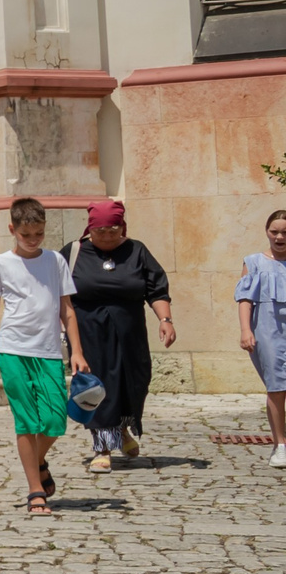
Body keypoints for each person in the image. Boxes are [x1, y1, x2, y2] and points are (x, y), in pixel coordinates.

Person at [0, 196, 89, 515]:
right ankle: (35, 490)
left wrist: (76, 351)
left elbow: (67, 309)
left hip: (50, 351)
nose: (32, 240)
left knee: (55, 419)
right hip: (13, 350)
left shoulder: (55, 261)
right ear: (12, 229)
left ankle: (38, 460)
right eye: (26, 235)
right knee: (26, 421)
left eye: (38, 234)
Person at [60, 199, 174, 473]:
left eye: (113, 230)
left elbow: (156, 290)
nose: (108, 236)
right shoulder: (73, 253)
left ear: (123, 226)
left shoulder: (137, 251)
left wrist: (166, 320)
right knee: (98, 386)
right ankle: (102, 447)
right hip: (89, 333)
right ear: (90, 229)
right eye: (101, 231)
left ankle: (121, 429)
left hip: (130, 332)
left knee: (134, 381)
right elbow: (57, 295)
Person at [236, 209, 286, 468]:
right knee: (277, 386)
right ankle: (281, 444)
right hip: (268, 329)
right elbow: (246, 299)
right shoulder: (254, 262)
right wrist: (246, 330)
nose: (279, 237)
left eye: (285, 232)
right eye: (274, 232)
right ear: (267, 232)